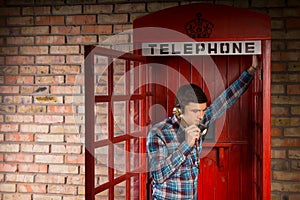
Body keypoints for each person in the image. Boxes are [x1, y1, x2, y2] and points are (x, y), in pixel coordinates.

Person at [146, 55, 259, 199]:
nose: (200, 115)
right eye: (195, 111)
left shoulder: (200, 121)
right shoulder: (158, 133)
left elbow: (225, 100)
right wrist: (186, 145)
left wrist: (251, 70)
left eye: (203, 110)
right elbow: (158, 175)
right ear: (179, 110)